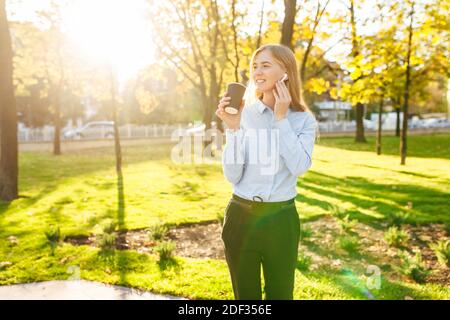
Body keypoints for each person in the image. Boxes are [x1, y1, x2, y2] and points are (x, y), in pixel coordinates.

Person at [215, 44, 317, 300]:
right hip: (241, 217)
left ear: (286, 72)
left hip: (281, 221)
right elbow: (233, 175)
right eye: (255, 65)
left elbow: (299, 166)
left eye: (266, 65)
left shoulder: (303, 120)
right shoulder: (244, 114)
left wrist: (281, 120)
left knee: (281, 295)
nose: (257, 72)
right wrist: (233, 130)